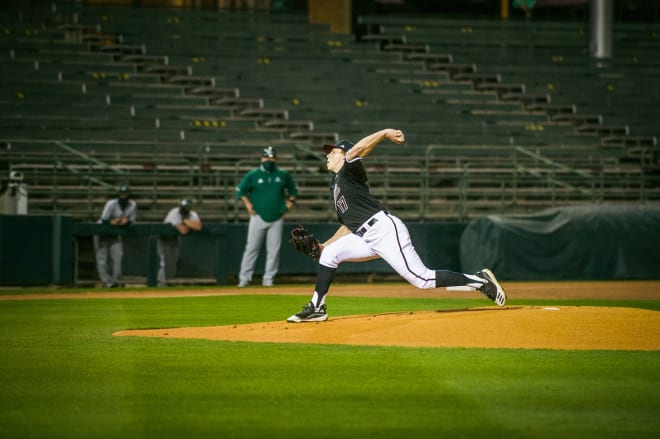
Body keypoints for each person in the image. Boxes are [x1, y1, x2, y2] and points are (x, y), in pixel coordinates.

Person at [286, 129, 506, 323]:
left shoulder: (349, 170)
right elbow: (346, 226)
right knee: (329, 254)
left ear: (344, 155)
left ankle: (479, 280)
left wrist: (384, 133)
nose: (328, 154)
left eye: (333, 151)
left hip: (383, 230)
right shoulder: (335, 184)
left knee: (423, 280)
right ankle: (317, 307)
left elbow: (359, 149)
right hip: (364, 236)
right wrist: (324, 245)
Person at [235, 146, 298, 287]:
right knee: (251, 248)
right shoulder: (253, 174)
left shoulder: (283, 175)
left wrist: (289, 204)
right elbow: (241, 190)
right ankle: (244, 279)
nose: (269, 160)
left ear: (275, 159)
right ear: (261, 158)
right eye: (266, 157)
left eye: (271, 157)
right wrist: (248, 205)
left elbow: (293, 191)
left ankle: (268, 279)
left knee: (273, 251)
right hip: (258, 216)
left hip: (277, 216)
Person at [94, 185, 137, 288]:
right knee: (102, 258)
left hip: (116, 232)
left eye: (125, 193)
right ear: (118, 194)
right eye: (122, 193)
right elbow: (104, 220)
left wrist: (126, 221)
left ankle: (116, 281)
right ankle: (106, 281)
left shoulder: (132, 205)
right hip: (103, 231)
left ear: (129, 194)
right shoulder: (111, 203)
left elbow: (132, 220)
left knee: (118, 256)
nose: (123, 195)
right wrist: (115, 221)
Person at [157, 199, 203, 287]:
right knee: (164, 263)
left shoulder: (192, 214)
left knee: (173, 264)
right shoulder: (174, 213)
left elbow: (199, 226)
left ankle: (169, 283)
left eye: (186, 208)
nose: (184, 210)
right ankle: (161, 285)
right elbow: (183, 231)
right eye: (182, 207)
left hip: (175, 239)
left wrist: (185, 222)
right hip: (164, 239)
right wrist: (189, 223)